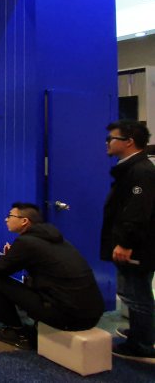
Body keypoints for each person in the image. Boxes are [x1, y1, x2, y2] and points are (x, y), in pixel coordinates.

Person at [0, 202, 105, 350]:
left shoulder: (26, 242)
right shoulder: (56, 240)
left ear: (24, 221)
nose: (6, 219)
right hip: (92, 314)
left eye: (10, 216)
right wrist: (12, 257)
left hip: (69, 317)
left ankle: (15, 330)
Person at [101, 120, 155, 361]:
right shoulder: (131, 169)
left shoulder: (141, 171)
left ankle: (141, 345)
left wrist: (125, 243)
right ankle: (139, 333)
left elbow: (137, 212)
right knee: (133, 290)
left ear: (129, 142)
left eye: (111, 138)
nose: (107, 143)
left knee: (137, 292)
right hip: (133, 243)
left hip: (137, 246)